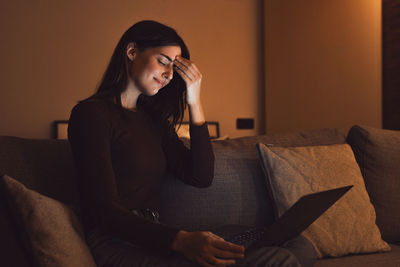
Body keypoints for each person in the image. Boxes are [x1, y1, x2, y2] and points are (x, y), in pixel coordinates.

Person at [68, 20, 317, 267]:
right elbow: (103, 210)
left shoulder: (153, 121)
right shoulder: (91, 114)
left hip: (160, 238)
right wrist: (181, 240)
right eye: (163, 61)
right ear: (132, 52)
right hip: (117, 245)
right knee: (277, 259)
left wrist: (194, 100)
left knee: (297, 245)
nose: (168, 74)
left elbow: (200, 175)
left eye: (174, 68)